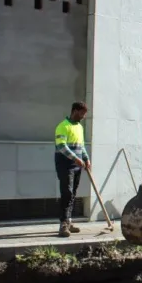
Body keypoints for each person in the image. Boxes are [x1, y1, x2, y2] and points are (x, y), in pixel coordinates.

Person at [54, 101, 91, 237]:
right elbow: (61, 146)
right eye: (82, 113)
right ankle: (63, 224)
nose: (83, 116)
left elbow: (81, 145)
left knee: (73, 193)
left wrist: (86, 158)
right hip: (65, 164)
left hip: (77, 165)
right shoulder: (63, 126)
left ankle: (69, 222)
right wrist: (76, 158)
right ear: (75, 111)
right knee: (67, 192)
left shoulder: (79, 127)